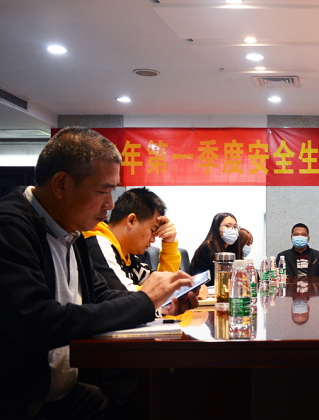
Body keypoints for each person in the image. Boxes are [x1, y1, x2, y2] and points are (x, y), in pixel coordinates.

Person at [0, 127, 197, 420]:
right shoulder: (10, 227)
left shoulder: (72, 231)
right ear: (61, 184)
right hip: (23, 402)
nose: (110, 205)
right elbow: (37, 320)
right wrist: (144, 301)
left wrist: (158, 307)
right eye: (104, 191)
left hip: (69, 391)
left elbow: (100, 295)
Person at [84, 187, 181, 291]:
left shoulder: (129, 258)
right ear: (131, 221)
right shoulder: (99, 245)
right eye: (153, 230)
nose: (153, 240)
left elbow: (163, 284)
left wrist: (169, 244)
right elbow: (125, 295)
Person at [188, 213, 248, 277]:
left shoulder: (231, 248)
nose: (232, 229)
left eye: (235, 227)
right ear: (217, 228)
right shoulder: (208, 247)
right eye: (228, 226)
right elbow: (215, 275)